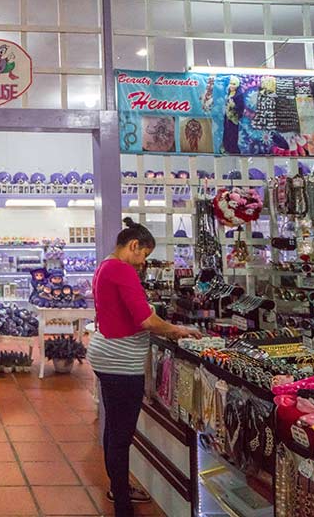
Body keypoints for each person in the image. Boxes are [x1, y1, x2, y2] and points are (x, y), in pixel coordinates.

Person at [88, 217, 201, 516]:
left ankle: (118, 489)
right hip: (121, 360)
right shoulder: (122, 270)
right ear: (134, 245)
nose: (143, 263)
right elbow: (147, 321)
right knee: (121, 434)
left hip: (107, 353)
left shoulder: (105, 266)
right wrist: (178, 330)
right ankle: (122, 504)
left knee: (113, 428)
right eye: (144, 255)